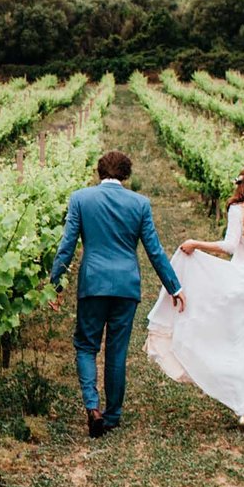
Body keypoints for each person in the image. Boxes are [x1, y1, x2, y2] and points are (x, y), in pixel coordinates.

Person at [145, 166, 244, 432]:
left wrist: (196, 243)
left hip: (241, 285)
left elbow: (229, 246)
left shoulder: (238, 211)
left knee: (239, 343)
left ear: (243, 185)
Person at [49, 150, 184, 438]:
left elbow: (67, 245)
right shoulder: (140, 204)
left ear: (99, 172)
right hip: (126, 286)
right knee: (116, 351)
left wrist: (56, 283)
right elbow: (155, 250)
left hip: (93, 283)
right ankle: (112, 415)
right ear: (126, 174)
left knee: (86, 345)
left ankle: (92, 406)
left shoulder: (81, 199)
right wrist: (174, 286)